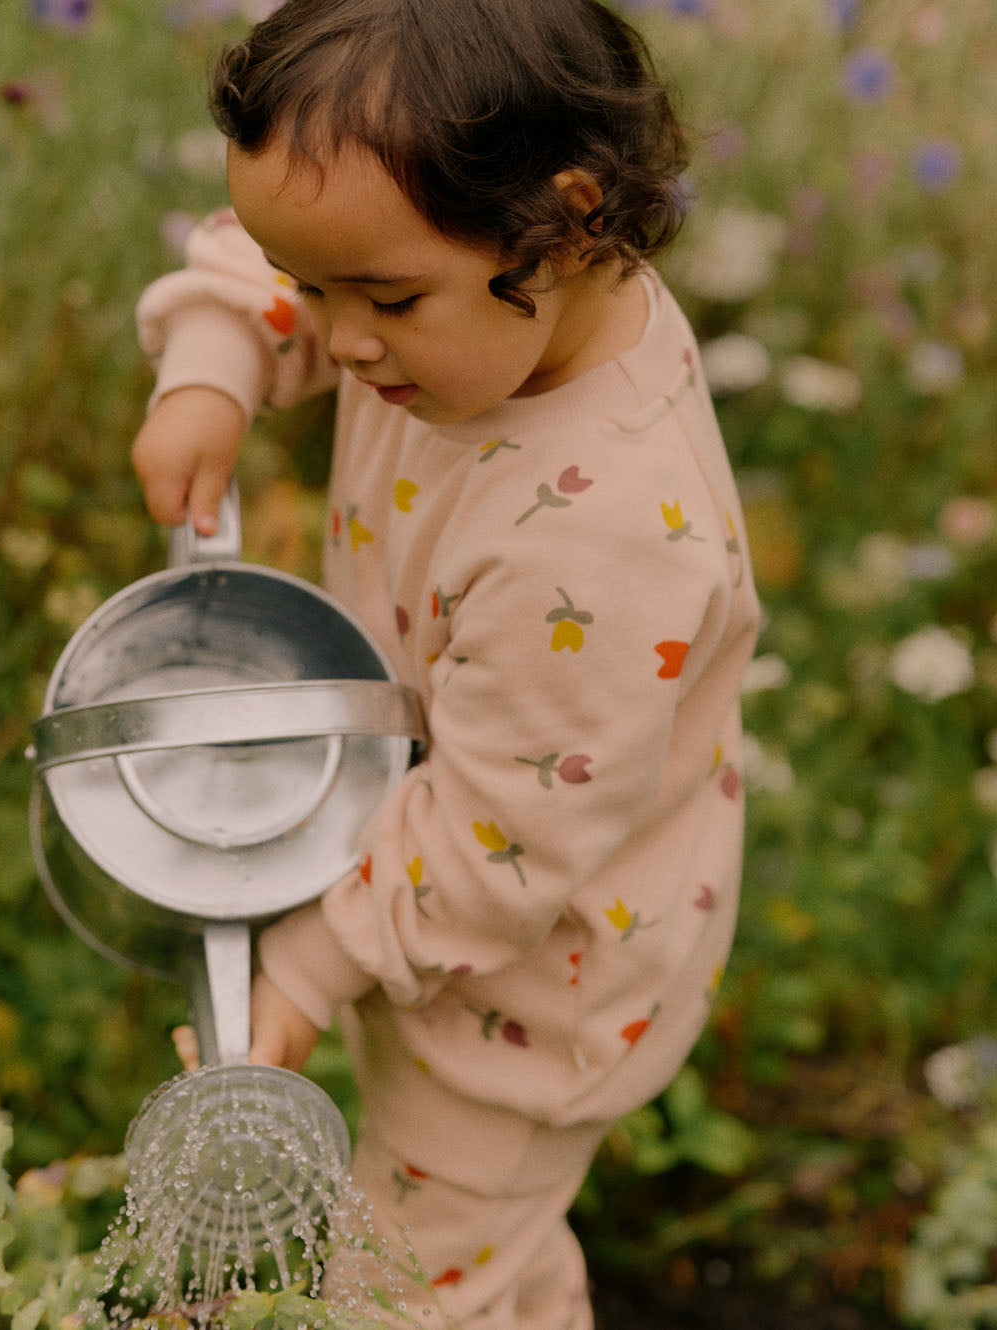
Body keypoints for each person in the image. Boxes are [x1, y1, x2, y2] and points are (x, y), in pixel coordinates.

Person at [131, 1, 760, 1325]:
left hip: (524, 998)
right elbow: (278, 252)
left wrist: (302, 967)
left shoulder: (599, 539)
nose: (342, 341)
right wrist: (213, 361)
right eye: (314, 292)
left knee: (407, 1285)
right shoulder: (484, 322)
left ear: (566, 219)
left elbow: (497, 838)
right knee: (487, 1259)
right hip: (422, 898)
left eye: (385, 299)